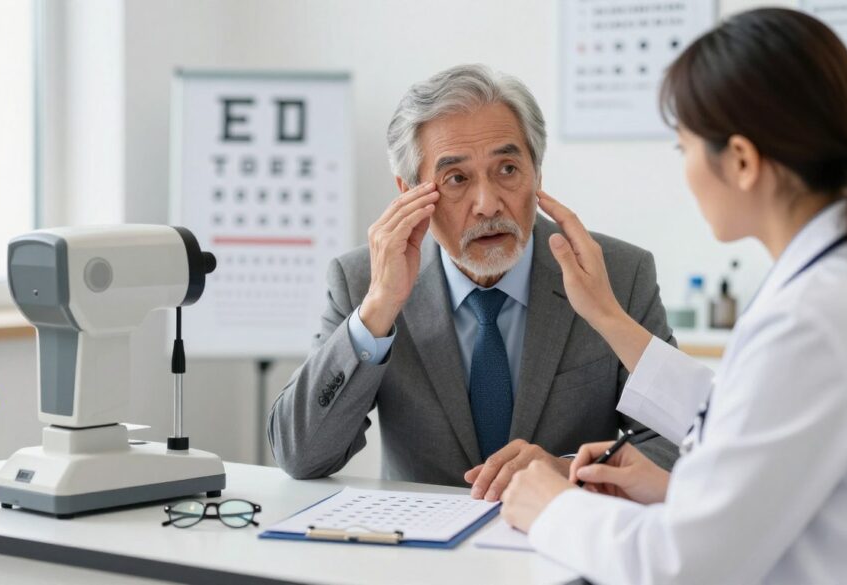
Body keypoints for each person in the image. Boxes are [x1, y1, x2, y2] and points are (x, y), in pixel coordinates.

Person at [500, 8, 847, 584]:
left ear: (740, 160)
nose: (684, 170)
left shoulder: (811, 318)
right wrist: (673, 488)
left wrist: (553, 507)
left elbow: (682, 567)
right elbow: (752, 416)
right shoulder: (822, 283)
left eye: (683, 147)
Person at [267, 64, 677, 496]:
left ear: (537, 173)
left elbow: (678, 444)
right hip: (421, 553)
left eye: (507, 170)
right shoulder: (362, 281)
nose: (487, 204)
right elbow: (300, 456)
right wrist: (378, 311)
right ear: (409, 192)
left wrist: (569, 470)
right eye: (457, 179)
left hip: (563, 540)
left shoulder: (617, 273)